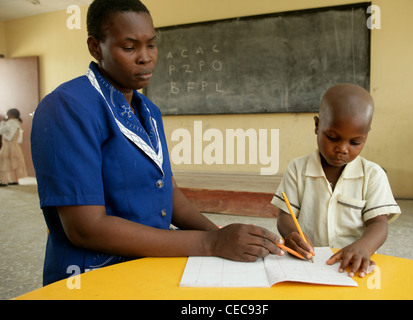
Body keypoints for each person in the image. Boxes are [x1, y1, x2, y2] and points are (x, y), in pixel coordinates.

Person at [31, 0, 283, 286]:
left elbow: (169, 194)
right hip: (93, 277)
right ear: (95, 47)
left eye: (151, 44)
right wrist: (210, 243)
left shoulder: (149, 111)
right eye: (130, 47)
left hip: (152, 261)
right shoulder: (67, 107)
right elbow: (87, 228)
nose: (146, 57)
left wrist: (225, 237)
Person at [271, 83, 401, 278]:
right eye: (332, 137)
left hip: (352, 265)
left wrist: (363, 247)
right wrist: (291, 234)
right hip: (307, 264)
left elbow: (379, 224)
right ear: (317, 125)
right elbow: (285, 216)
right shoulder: (297, 170)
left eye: (355, 142)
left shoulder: (373, 175)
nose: (342, 149)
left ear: (366, 136)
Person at [0, 108, 27, 186]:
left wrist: (3, 123)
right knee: (13, 163)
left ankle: (3, 180)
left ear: (11, 115)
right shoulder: (17, 123)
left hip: (8, 145)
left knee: (4, 163)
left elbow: (2, 131)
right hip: (15, 145)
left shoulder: (10, 123)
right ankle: (14, 179)